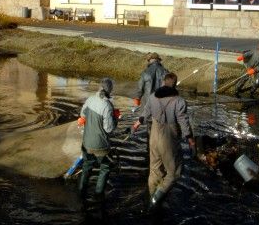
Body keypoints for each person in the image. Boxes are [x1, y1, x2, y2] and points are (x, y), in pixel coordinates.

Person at [134, 72, 195, 208]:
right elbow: (183, 122)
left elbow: (145, 113)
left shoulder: (152, 97)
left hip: (154, 136)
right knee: (174, 173)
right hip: (169, 139)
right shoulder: (179, 101)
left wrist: (138, 122)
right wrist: (190, 139)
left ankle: (152, 196)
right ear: (175, 84)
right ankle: (155, 201)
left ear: (163, 82)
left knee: (155, 169)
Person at [77, 78, 120, 199]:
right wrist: (116, 118)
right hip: (101, 146)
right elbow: (109, 129)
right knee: (105, 168)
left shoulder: (90, 99)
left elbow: (82, 114)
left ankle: (81, 193)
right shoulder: (107, 105)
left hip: (86, 143)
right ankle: (98, 196)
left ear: (99, 87)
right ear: (109, 90)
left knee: (86, 167)